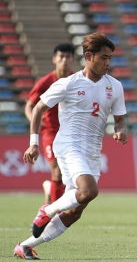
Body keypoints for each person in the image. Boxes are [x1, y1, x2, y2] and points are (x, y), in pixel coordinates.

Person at [14, 32, 128, 260]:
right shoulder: (68, 84)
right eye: (103, 57)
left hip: (92, 151)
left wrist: (120, 130)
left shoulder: (115, 87)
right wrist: (33, 144)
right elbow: (37, 108)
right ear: (88, 56)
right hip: (68, 146)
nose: (108, 62)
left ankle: (24, 246)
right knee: (89, 191)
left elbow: (119, 120)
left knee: (76, 211)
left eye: (110, 58)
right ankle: (47, 210)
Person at [25, 43, 75, 205]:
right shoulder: (46, 82)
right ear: (54, 59)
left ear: (73, 59)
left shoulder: (76, 80)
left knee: (68, 177)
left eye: (68, 57)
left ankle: (49, 190)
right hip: (51, 133)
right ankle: (51, 212)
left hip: (70, 133)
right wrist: (34, 120)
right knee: (58, 173)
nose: (64, 60)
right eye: (61, 57)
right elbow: (30, 105)